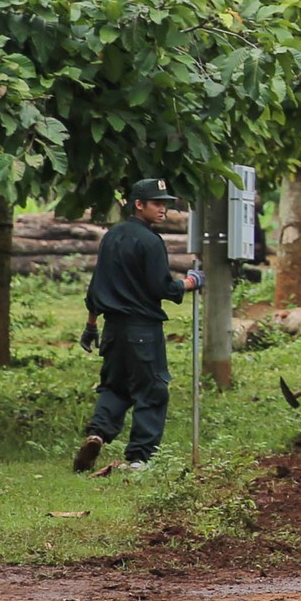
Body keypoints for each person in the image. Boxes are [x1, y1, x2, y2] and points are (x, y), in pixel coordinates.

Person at [74, 178, 203, 473]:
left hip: (113, 330)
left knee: (115, 387)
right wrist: (189, 282)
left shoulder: (111, 236)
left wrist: (91, 324)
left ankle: (97, 434)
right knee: (152, 390)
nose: (163, 209)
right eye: (157, 203)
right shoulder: (150, 241)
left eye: (165, 204)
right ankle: (139, 458)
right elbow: (162, 288)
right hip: (143, 329)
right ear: (139, 204)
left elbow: (96, 286)